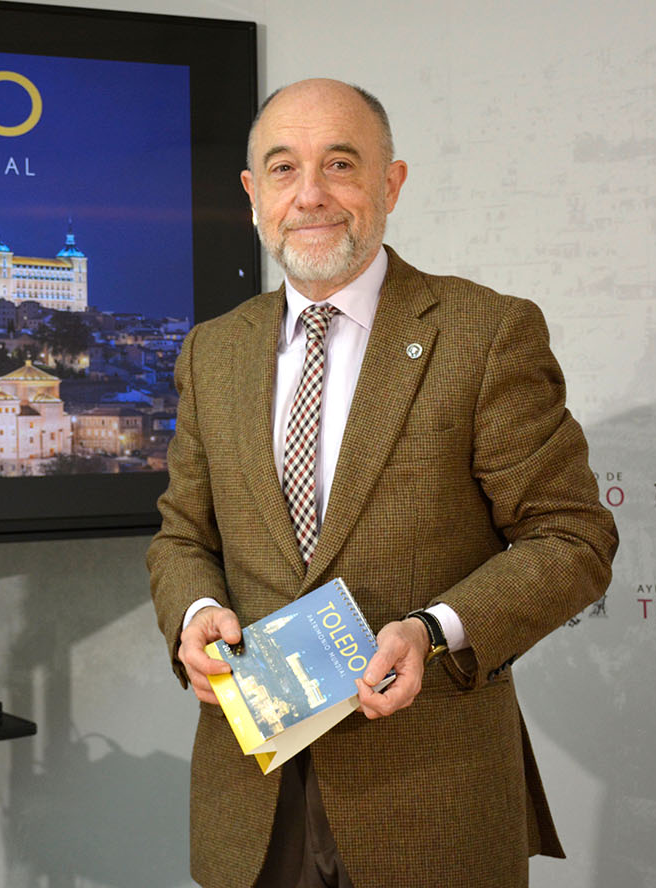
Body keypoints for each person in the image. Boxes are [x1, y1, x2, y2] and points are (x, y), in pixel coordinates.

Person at [146, 79, 617, 888]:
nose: (312, 195)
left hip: (429, 795)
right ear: (254, 195)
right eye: (285, 169)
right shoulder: (211, 351)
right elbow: (182, 535)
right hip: (252, 800)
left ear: (390, 183)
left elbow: (573, 539)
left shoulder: (484, 333)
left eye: (340, 163)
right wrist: (192, 613)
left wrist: (432, 631)